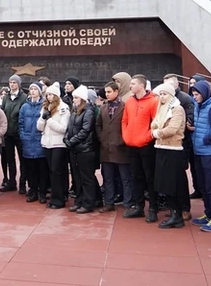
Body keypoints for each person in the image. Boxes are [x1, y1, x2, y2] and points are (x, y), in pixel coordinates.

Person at [122, 74, 160, 222]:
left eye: (133, 84)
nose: (130, 86)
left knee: (150, 178)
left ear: (141, 86)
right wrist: (126, 137)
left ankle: (153, 209)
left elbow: (156, 124)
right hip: (131, 145)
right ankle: (138, 206)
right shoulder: (130, 102)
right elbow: (124, 121)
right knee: (136, 177)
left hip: (146, 146)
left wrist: (145, 138)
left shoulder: (153, 101)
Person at [190, 80, 211, 232]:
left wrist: (205, 140)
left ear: (204, 94)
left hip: (210, 153)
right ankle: (208, 213)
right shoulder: (199, 106)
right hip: (199, 152)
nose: (195, 97)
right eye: (193, 94)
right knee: (203, 185)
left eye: (197, 94)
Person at [151, 82, 187, 229]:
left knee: (172, 183)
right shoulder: (162, 109)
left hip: (173, 149)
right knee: (164, 183)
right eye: (160, 94)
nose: (162, 97)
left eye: (164, 94)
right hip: (161, 147)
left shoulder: (177, 109)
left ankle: (177, 215)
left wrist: (157, 133)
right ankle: (174, 212)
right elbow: (155, 123)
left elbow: (172, 129)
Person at [163, 74, 195, 220]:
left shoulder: (184, 100)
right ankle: (173, 207)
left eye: (168, 85)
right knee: (168, 177)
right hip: (165, 145)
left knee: (180, 177)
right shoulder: (163, 101)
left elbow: (189, 122)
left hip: (181, 144)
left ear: (176, 85)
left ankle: (184, 208)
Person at [97, 80, 130, 213]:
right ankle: (109, 202)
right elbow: (98, 124)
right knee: (108, 177)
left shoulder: (124, 106)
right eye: (106, 92)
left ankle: (128, 203)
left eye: (109, 92)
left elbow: (128, 124)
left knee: (125, 178)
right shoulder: (103, 108)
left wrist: (123, 139)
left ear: (116, 92)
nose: (107, 94)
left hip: (121, 148)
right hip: (106, 147)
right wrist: (101, 137)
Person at [65, 85, 97, 214]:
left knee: (86, 177)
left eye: (76, 97)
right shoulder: (74, 111)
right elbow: (69, 128)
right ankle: (79, 201)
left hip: (85, 149)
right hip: (75, 149)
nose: (74, 100)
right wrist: (67, 138)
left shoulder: (88, 112)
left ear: (83, 99)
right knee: (77, 177)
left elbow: (85, 130)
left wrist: (71, 141)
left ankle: (88, 203)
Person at [38, 82, 70, 209]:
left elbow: (63, 128)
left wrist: (50, 120)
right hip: (47, 143)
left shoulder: (63, 108)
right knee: (52, 171)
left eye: (51, 94)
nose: (48, 97)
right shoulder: (46, 107)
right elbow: (39, 127)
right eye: (47, 95)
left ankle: (58, 199)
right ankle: (57, 195)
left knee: (57, 171)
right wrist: (43, 119)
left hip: (58, 143)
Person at [19, 82, 47, 203]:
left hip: (40, 140)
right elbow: (20, 122)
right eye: (31, 89)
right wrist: (23, 136)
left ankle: (42, 192)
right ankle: (33, 191)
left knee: (41, 168)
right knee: (30, 169)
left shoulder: (44, 106)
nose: (33, 91)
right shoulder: (25, 107)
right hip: (28, 141)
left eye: (35, 89)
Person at [0, 74, 28, 194]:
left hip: (19, 134)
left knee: (23, 159)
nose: (12, 84)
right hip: (8, 134)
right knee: (10, 159)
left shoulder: (24, 98)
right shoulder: (6, 98)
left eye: (14, 82)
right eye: (10, 82)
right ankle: (12, 182)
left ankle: (23, 183)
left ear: (19, 84)